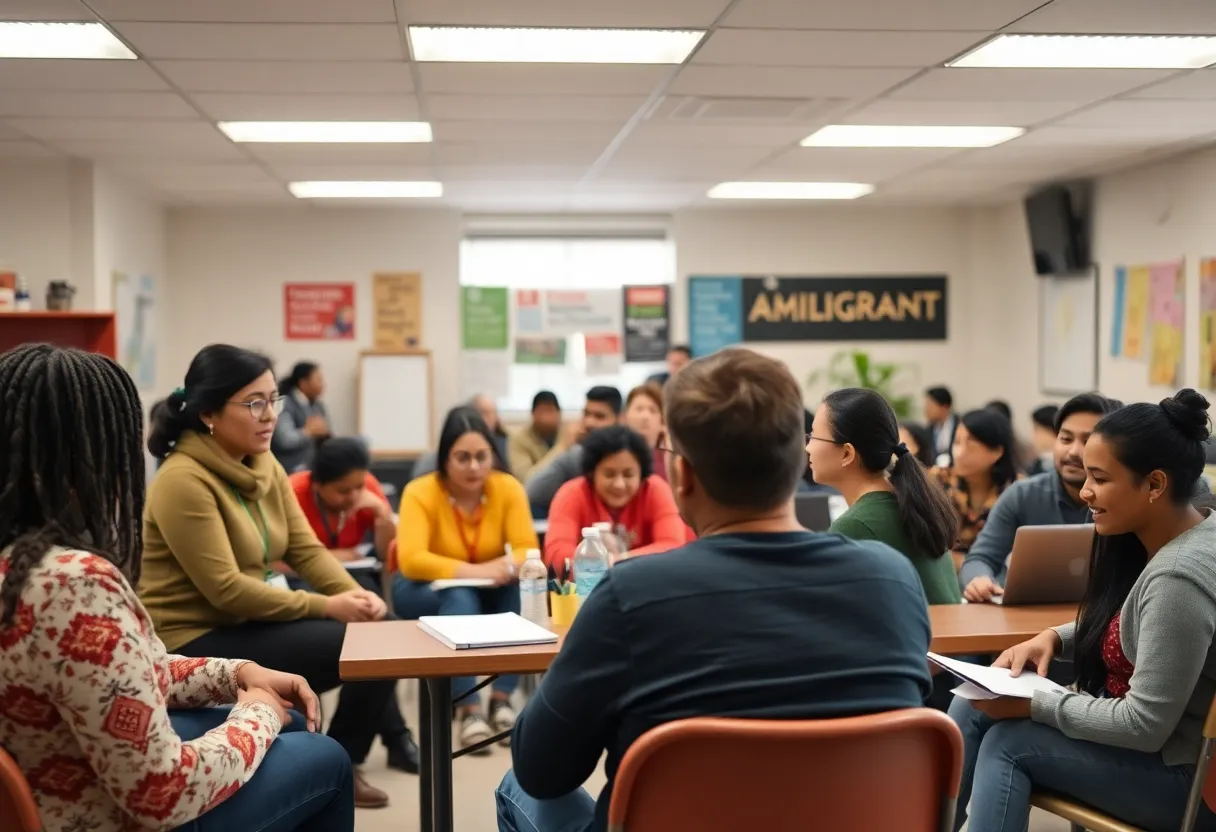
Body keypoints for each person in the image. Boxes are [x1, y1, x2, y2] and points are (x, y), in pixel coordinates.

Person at [495, 348, 933, 832]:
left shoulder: (630, 596)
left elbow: (542, 771)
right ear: (796, 461)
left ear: (682, 476)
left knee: (514, 783)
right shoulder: (893, 580)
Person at [0, 344, 354, 832]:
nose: (267, 414)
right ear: (99, 455)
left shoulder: (21, 568)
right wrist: (258, 716)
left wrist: (236, 675)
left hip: (54, 785)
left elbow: (114, 674)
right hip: (99, 813)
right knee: (324, 756)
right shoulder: (74, 586)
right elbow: (163, 795)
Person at [141, 344, 396, 809]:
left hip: (245, 621)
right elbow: (226, 590)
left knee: (377, 633)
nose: (269, 416)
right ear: (209, 413)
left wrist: (353, 593)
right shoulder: (182, 480)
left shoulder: (263, 464)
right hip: (194, 637)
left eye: (273, 400)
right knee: (371, 648)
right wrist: (326, 605)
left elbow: (303, 549)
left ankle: (342, 760)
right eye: (253, 403)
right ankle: (336, 763)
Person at [949, 389, 1216, 832]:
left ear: (1154, 484)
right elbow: (1139, 620)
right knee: (977, 708)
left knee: (1009, 742)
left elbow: (1143, 724)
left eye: (1100, 478)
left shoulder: (1178, 579)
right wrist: (1055, 636)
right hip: (1166, 758)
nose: (1086, 492)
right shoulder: (1193, 528)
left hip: (1184, 783)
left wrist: (1039, 705)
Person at [392, 407, 539, 752]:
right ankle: (468, 708)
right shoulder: (420, 491)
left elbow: (527, 550)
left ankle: (501, 699)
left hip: (487, 587)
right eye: (462, 457)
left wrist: (503, 567)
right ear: (444, 458)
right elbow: (412, 560)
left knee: (522, 589)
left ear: (493, 455)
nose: (474, 467)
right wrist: (479, 571)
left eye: (481, 456)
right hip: (421, 588)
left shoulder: (507, 487)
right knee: (460, 598)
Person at [288, 437, 421, 775]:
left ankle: (358, 750)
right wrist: (336, 557)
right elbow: (274, 560)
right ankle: (394, 737)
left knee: (382, 631)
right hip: (302, 583)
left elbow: (386, 552)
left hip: (356, 579)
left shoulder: (367, 487)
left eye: (357, 487)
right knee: (371, 642)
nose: (352, 496)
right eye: (342, 491)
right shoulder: (293, 491)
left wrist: (380, 514)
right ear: (318, 484)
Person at [960, 392, 1122, 604]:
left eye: (1088, 440)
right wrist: (979, 580)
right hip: (1025, 618)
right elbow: (980, 558)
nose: (1073, 451)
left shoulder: (1128, 499)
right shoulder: (1021, 494)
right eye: (1065, 439)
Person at [810, 388, 961, 606]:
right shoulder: (912, 502)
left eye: (814, 435)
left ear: (846, 453)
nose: (808, 446)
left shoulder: (855, 526)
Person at [543, 426, 685, 568]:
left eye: (628, 475)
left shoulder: (656, 490)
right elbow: (557, 555)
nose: (619, 484)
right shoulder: (571, 494)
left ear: (642, 475)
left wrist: (617, 561)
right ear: (592, 473)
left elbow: (672, 546)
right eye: (609, 474)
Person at [932, 409, 1020, 571]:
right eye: (957, 442)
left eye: (970, 446)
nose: (959, 453)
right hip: (944, 576)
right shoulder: (937, 480)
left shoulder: (1017, 490)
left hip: (997, 578)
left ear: (997, 452)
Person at [525, 386, 623, 518]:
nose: (589, 422)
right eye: (586, 414)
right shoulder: (576, 456)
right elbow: (532, 492)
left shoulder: (631, 457)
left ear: (619, 421)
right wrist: (564, 447)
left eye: (599, 416)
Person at [272, 360, 330, 473]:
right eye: (318, 380)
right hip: (287, 470)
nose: (322, 384)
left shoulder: (318, 406)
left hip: (312, 468)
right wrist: (308, 432)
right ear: (303, 383)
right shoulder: (284, 404)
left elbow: (326, 434)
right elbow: (285, 440)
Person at [509, 390, 562, 480]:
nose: (546, 418)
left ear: (559, 413)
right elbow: (526, 479)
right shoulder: (519, 439)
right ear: (533, 414)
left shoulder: (570, 434)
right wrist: (562, 447)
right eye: (541, 412)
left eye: (550, 411)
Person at [623, 382, 667, 481]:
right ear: (625, 417)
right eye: (639, 409)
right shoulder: (614, 455)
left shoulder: (671, 461)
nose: (645, 416)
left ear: (663, 422)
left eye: (653, 410)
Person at [924, 385, 957, 466]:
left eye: (930, 405)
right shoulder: (928, 430)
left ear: (944, 406)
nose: (926, 410)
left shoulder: (960, 426)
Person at [1026, 403, 1060, 476]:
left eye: (1036, 429)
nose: (1033, 435)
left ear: (1051, 431)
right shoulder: (1039, 461)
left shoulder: (1053, 465)